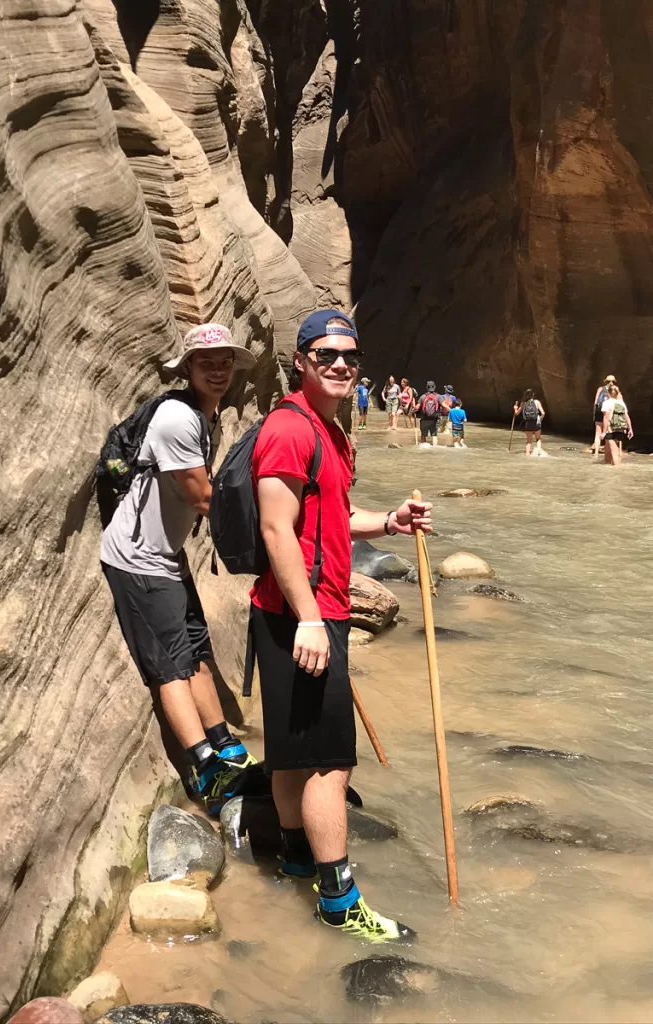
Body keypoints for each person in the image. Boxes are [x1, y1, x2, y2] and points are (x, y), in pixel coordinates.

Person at [250, 308, 432, 942]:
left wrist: (389, 523)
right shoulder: (289, 429)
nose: (339, 364)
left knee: (294, 753)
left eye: (350, 356)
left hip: (299, 611)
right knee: (331, 762)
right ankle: (338, 899)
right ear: (300, 360)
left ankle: (295, 855)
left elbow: (327, 520)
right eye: (325, 354)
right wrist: (308, 619)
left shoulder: (332, 432)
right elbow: (276, 528)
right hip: (303, 614)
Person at [100, 324, 257, 815]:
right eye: (206, 361)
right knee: (170, 666)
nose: (218, 369)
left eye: (225, 361)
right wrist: (272, 533)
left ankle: (227, 748)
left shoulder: (205, 418)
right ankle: (207, 769)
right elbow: (201, 496)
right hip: (137, 560)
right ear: (187, 367)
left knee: (198, 652)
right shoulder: (175, 417)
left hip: (167, 557)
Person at [601, 384, 633, 466]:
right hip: (621, 428)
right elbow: (627, 417)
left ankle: (617, 471)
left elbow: (606, 417)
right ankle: (606, 463)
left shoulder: (606, 403)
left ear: (608, 393)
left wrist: (604, 432)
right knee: (609, 447)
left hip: (611, 429)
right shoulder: (622, 403)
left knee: (615, 452)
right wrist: (630, 429)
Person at [591, 375, 623, 456]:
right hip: (609, 412)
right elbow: (620, 402)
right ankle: (608, 453)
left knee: (598, 433)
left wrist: (594, 414)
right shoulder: (616, 389)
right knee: (608, 432)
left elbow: (595, 402)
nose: (611, 383)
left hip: (599, 411)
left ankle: (596, 453)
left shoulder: (600, 389)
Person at [513, 389, 546, 456]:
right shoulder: (537, 402)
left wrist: (515, 408)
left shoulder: (523, 403)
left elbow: (516, 413)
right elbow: (543, 413)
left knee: (529, 441)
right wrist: (540, 419)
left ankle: (527, 455)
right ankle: (538, 453)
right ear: (533, 395)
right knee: (538, 438)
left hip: (528, 423)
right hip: (537, 422)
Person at [416, 381, 442, 446]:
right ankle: (435, 447)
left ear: (427, 387)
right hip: (434, 419)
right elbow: (444, 405)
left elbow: (417, 408)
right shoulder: (438, 396)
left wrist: (413, 410)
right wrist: (451, 410)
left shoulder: (423, 396)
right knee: (434, 436)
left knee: (423, 435)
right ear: (434, 387)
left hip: (424, 419)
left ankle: (423, 447)